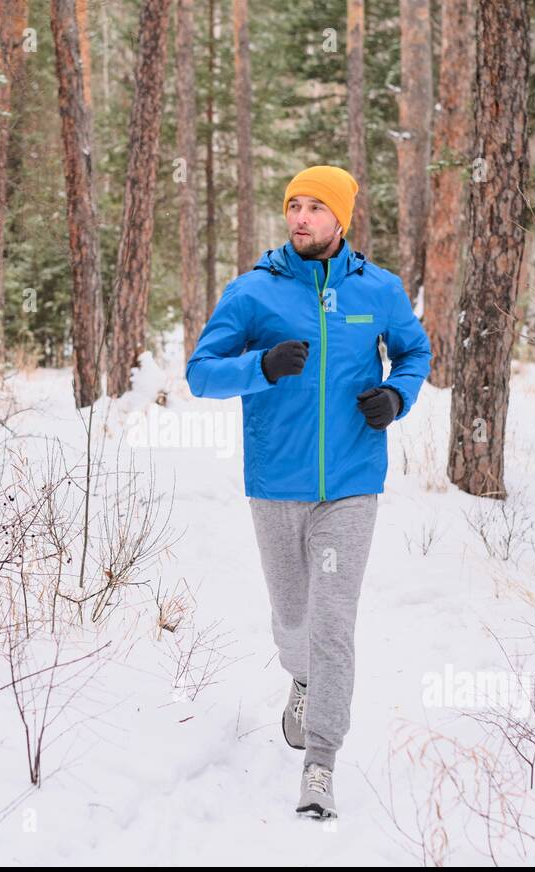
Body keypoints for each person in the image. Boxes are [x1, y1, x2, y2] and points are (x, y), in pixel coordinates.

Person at [184, 165, 432, 819]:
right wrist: (258, 367)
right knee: (294, 619)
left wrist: (396, 396)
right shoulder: (253, 293)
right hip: (276, 484)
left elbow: (414, 353)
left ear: (342, 217)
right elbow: (200, 375)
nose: (300, 217)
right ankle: (298, 677)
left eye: (315, 206)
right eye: (293, 204)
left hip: (351, 485)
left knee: (331, 623)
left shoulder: (378, 289)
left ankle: (320, 762)